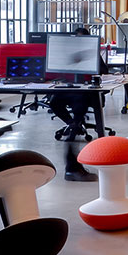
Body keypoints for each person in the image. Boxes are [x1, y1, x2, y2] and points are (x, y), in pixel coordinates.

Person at [47, 27, 105, 182]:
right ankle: (74, 125)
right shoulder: (65, 51)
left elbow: (104, 70)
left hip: (84, 92)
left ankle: (72, 167)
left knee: (79, 108)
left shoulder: (92, 51)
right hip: (68, 88)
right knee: (54, 102)